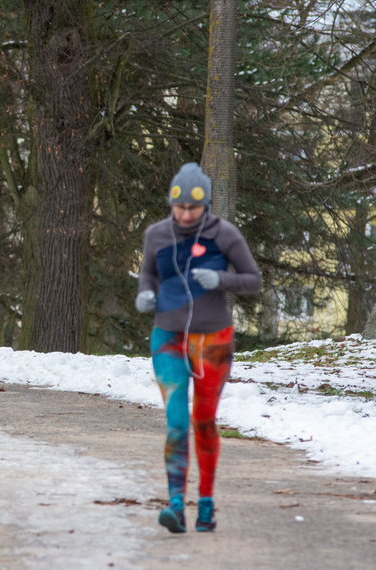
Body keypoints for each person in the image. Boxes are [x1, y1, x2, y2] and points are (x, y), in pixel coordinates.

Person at [135, 162, 261, 534]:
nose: (185, 215)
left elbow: (253, 279)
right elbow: (148, 273)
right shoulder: (156, 235)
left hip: (213, 342)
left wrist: (221, 278)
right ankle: (175, 506)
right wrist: (145, 293)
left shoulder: (226, 235)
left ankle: (205, 502)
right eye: (179, 208)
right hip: (168, 338)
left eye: (192, 208)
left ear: (205, 205)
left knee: (202, 421)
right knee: (176, 422)